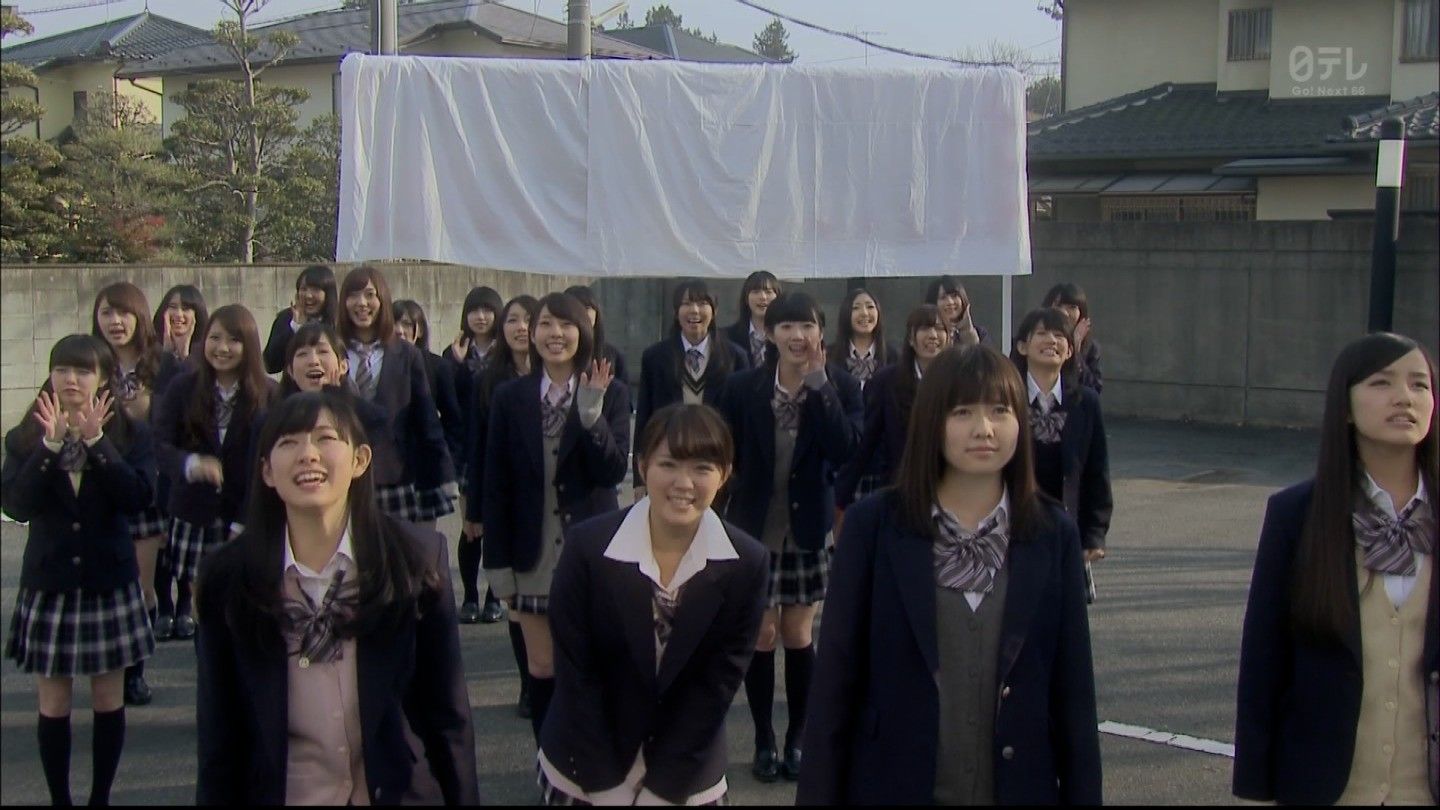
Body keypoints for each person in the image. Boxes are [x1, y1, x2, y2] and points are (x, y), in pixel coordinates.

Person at [798, 345, 1102, 805]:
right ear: (932, 421)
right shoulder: (874, 526)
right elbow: (834, 686)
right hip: (892, 787)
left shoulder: (1051, 533)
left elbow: (1074, 694)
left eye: (1000, 411)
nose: (984, 429)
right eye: (963, 412)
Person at [195, 390, 479, 805]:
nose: (308, 454)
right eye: (289, 442)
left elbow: (447, 716)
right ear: (267, 471)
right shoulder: (227, 578)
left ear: (360, 460)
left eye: (325, 438)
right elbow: (219, 736)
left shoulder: (415, 560)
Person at [1234, 332, 1437, 806]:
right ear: (1344, 407)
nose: (1404, 397)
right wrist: (1257, 786)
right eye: (1382, 383)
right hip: (1326, 787)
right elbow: (1264, 657)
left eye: (1419, 384)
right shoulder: (1298, 515)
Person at [537, 404, 770, 806]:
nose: (684, 483)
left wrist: (662, 793)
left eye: (702, 468)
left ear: (725, 473)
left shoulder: (746, 563)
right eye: (668, 464)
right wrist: (606, 789)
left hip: (686, 775)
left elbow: (715, 687)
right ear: (642, 466)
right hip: (584, 769)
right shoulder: (588, 547)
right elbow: (577, 675)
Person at [4, 334, 157, 806]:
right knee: (54, 705)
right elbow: (16, 505)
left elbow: (138, 498)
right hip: (49, 583)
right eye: (63, 369)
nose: (71, 379)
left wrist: (96, 442)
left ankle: (99, 798)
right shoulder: (25, 436)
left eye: (83, 370)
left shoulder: (130, 435)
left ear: (103, 378)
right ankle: (61, 800)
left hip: (108, 582)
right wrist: (49, 447)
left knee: (108, 701)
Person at [717, 291, 862, 783]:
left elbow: (845, 449)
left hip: (807, 528)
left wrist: (820, 385)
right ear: (768, 332)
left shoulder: (841, 384)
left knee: (799, 634)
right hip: (753, 526)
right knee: (761, 634)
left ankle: (799, 739)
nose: (797, 336)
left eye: (807, 326)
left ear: (821, 331)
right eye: (786, 327)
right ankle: (764, 739)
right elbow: (721, 449)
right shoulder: (742, 386)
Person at [482, 291, 632, 743]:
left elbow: (612, 472)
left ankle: (592, 759)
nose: (555, 334)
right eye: (545, 324)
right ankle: (549, 761)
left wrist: (590, 413)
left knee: (590, 663)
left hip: (591, 552)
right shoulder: (510, 397)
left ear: (583, 332)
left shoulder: (611, 392)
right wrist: (498, 567)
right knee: (542, 667)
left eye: (566, 325)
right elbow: (496, 485)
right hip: (532, 553)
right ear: (531, 333)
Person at [152, 305, 276, 643]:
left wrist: (245, 521)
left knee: (246, 607)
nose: (222, 348)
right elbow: (160, 444)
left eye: (233, 340)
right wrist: (190, 464)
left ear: (249, 345)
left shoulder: (269, 393)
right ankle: (208, 661)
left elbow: (271, 461)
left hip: (248, 514)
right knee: (205, 609)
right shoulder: (183, 388)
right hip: (195, 513)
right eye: (215, 338)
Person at [91, 282, 180, 703]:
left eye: (123, 313)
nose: (115, 322)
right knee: (104, 586)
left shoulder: (162, 364)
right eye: (107, 313)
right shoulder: (88, 361)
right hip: (99, 486)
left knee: (141, 587)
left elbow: (181, 422)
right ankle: (104, 665)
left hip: (146, 486)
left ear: (139, 317)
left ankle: (135, 672)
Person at [337, 266, 457, 530]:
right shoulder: (332, 350)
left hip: (395, 475)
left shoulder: (406, 354)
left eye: (370, 294)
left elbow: (426, 418)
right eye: (353, 295)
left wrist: (444, 473)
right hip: (342, 476)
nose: (362, 303)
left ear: (382, 300)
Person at [462, 296, 538, 708]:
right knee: (516, 599)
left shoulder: (556, 376)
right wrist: (474, 509)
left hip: (547, 500)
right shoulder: (488, 382)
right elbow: (477, 448)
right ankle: (528, 682)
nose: (521, 327)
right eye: (513, 320)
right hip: (505, 498)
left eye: (529, 320)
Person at [1010, 308, 1112, 565]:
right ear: (1022, 346)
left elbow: (1097, 472)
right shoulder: (1005, 398)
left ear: (1069, 351)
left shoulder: (1086, 403)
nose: (1051, 341)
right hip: (1013, 529)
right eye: (1042, 333)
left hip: (1066, 530)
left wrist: (1095, 535)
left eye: (1059, 336)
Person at [633, 279, 749, 498]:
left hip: (715, 464)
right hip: (670, 459)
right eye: (686, 303)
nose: (694, 310)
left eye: (702, 303)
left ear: (714, 311)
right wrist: (639, 481)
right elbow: (644, 419)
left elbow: (744, 423)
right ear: (676, 312)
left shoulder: (735, 357)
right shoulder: (655, 357)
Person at [837, 304, 950, 509]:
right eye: (925, 328)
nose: (933, 335)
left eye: (940, 329)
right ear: (911, 339)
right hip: (902, 491)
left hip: (951, 490)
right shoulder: (887, 381)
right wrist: (840, 496)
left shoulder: (961, 381)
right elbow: (866, 442)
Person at [392, 299, 466, 478]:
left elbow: (452, 420)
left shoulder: (437, 366)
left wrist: (449, 464)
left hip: (427, 465)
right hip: (391, 465)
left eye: (406, 324)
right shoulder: (377, 365)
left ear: (420, 330)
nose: (399, 330)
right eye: (393, 323)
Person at [262, 264, 338, 374]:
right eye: (304, 289)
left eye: (315, 290)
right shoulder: (286, 318)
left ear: (328, 294)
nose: (308, 296)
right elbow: (271, 365)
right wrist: (296, 327)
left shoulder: (340, 321)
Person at [826, 287, 895, 390]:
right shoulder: (829, 356)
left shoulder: (894, 357)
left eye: (870, 306)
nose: (864, 313)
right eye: (856, 308)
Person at [1042, 282, 1103, 395]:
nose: (1065, 312)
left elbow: (1094, 389)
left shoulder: (1091, 348)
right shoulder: (1033, 341)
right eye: (1059, 306)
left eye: (1072, 307)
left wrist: (1076, 352)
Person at [564, 284, 630, 385]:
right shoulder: (555, 352)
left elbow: (624, 392)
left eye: (587, 307)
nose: (581, 313)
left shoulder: (612, 355)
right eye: (575, 307)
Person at [723, 271, 781, 368]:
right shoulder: (727, 337)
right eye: (756, 291)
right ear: (746, 298)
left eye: (768, 292)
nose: (763, 297)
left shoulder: (787, 336)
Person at [924, 275, 987, 348]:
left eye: (954, 296)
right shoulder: (926, 334)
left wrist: (968, 333)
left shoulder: (980, 333)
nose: (950, 302)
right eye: (943, 297)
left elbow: (985, 354)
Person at [153, 284, 208, 363]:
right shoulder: (149, 350)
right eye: (173, 307)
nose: (179, 314)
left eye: (185, 308)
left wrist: (185, 356)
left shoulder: (206, 352)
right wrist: (167, 353)